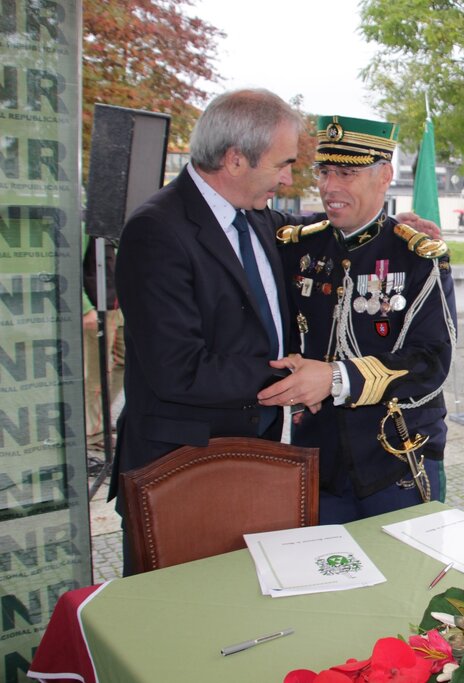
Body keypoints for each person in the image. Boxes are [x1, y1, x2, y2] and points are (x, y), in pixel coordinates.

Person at [112, 88, 304, 573]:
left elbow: (308, 226)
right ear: (235, 159)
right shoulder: (156, 230)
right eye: (282, 164)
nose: (287, 179)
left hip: (251, 459)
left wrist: (383, 225)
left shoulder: (255, 215)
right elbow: (178, 370)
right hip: (181, 473)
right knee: (175, 624)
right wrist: (288, 377)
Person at [257, 115, 458, 525]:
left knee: (407, 580)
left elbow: (432, 362)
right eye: (325, 172)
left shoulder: (417, 256)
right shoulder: (297, 246)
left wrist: (335, 377)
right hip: (318, 458)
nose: (330, 187)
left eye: (347, 173)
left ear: (384, 175)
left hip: (396, 458)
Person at [83, 234, 125, 451]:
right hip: (99, 309)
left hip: (118, 308)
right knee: (97, 374)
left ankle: (100, 418)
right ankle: (92, 431)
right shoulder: (87, 226)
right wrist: (85, 307)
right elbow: (70, 265)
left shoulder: (116, 228)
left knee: (125, 363)